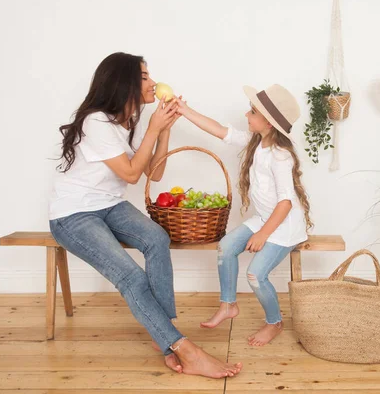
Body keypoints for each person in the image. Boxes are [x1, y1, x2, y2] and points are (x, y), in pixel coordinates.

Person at [48, 52, 242, 378]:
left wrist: (164, 129)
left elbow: (155, 171)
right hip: (74, 214)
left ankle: (163, 335)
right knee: (131, 278)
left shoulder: (132, 122)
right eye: (145, 77)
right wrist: (154, 125)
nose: (153, 83)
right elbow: (131, 174)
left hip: (109, 206)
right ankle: (182, 347)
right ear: (123, 83)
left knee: (156, 237)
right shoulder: (96, 121)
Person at [173, 84, 313, 346]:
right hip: (265, 218)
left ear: (268, 123)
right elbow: (219, 130)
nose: (246, 115)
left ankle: (275, 322)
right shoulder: (256, 143)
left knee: (256, 275)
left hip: (284, 226)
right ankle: (228, 306)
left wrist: (262, 234)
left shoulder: (281, 157)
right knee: (226, 247)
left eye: (252, 112)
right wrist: (183, 110)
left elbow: (285, 204)